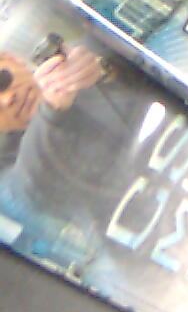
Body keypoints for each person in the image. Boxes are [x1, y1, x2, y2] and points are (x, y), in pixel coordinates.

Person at [0, 40, 145, 246]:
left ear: (13, 60)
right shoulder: (12, 166)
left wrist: (105, 70)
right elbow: (27, 192)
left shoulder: (81, 57)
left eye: (2, 82)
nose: (7, 100)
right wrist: (50, 109)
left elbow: (155, 66)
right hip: (143, 238)